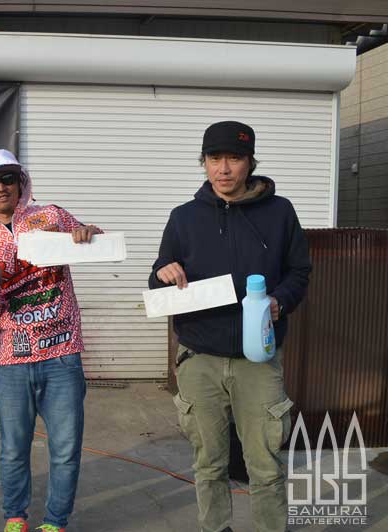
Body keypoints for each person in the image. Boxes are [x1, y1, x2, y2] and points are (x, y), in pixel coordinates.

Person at [149, 121, 311, 532]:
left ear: (250, 163)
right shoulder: (183, 218)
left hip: (258, 357)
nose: (224, 169)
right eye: (214, 158)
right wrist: (164, 272)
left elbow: (299, 271)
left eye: (234, 159)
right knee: (209, 463)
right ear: (203, 162)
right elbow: (160, 275)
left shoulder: (279, 212)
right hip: (199, 357)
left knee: (265, 464)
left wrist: (280, 300)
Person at [0, 149, 101, 532]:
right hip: (13, 362)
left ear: (21, 182)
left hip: (63, 355)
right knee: (13, 451)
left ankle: (55, 522)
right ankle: (15, 518)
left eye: (7, 178)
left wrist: (88, 234)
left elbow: (98, 243)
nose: (0, 188)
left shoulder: (52, 217)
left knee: (65, 450)